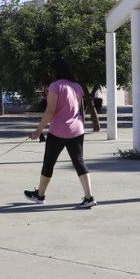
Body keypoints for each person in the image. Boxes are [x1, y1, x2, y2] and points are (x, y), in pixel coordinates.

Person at [25, 58, 95, 208]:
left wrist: (38, 131)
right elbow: (81, 110)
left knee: (49, 163)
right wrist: (80, 125)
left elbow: (50, 111)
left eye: (51, 70)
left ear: (55, 71)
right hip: (77, 130)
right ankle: (89, 197)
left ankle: (40, 195)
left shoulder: (55, 86)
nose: (50, 73)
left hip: (58, 131)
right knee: (79, 162)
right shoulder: (77, 87)